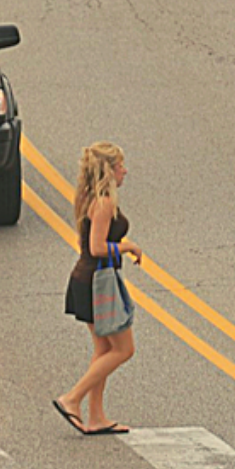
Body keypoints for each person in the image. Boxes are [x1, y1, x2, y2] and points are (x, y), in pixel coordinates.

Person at [53, 142, 142, 435]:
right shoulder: (103, 202)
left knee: (104, 348)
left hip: (86, 279)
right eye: (120, 167)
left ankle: (97, 417)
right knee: (124, 349)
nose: (125, 171)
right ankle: (72, 398)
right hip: (95, 282)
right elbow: (97, 247)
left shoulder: (88, 196)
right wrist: (127, 246)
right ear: (109, 170)